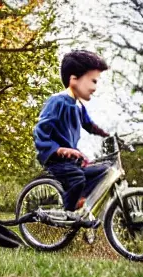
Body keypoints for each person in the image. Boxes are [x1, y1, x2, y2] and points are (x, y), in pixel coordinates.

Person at [33, 50, 111, 220]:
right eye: (92, 81)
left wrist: (108, 133)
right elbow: (40, 131)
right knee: (77, 179)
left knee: (104, 170)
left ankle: (80, 200)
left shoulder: (79, 106)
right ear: (74, 79)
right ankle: (68, 212)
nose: (95, 88)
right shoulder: (57, 101)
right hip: (57, 160)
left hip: (71, 160)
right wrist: (59, 150)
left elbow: (89, 125)